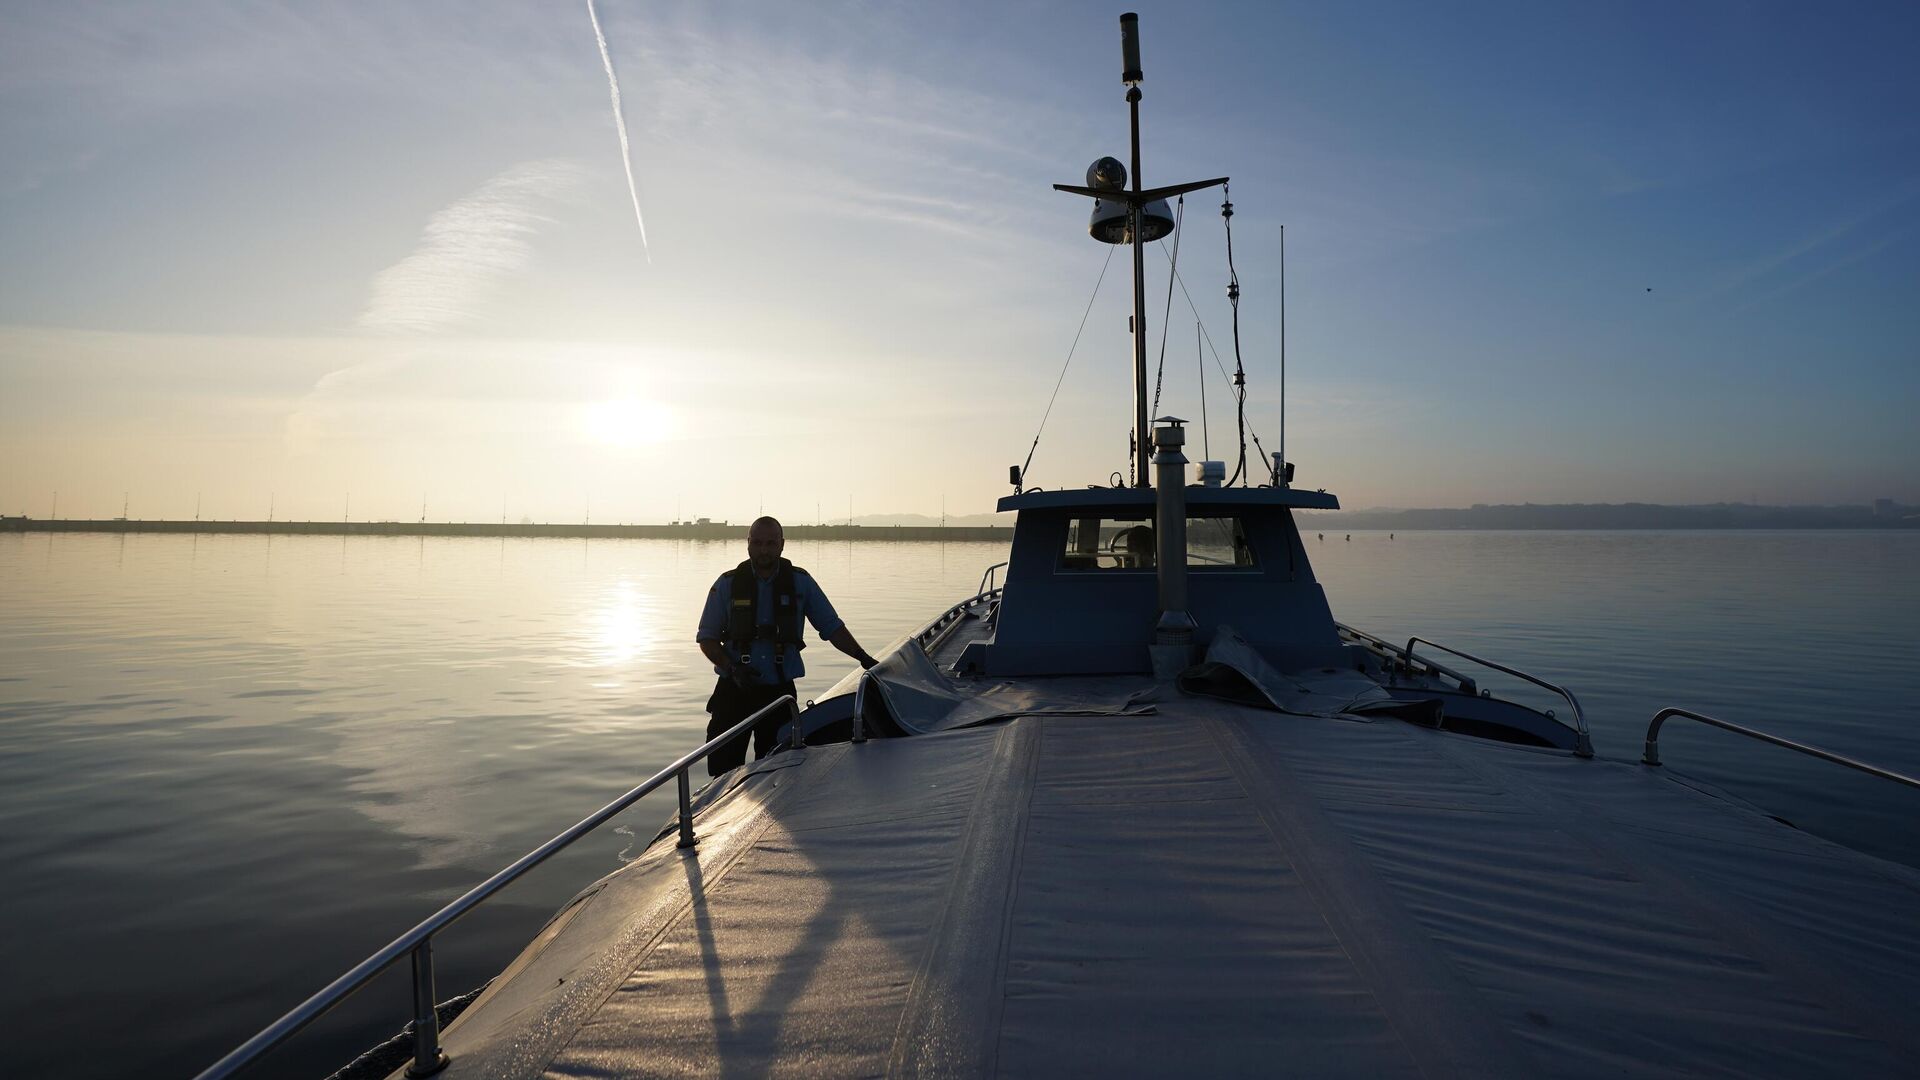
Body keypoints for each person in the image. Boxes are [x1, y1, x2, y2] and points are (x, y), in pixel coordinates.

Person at [696, 516, 877, 775]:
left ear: (782, 545)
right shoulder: (727, 584)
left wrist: (863, 657)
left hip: (779, 695)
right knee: (722, 771)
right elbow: (707, 638)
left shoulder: (801, 583)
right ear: (747, 544)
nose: (764, 550)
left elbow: (832, 627)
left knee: (778, 773)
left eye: (771, 543)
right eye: (757, 543)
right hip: (734, 690)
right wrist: (732, 667)